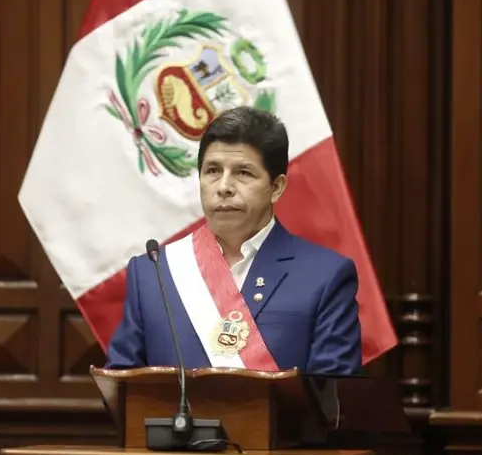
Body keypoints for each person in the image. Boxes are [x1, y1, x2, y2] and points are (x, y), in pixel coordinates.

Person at [105, 107, 363, 375]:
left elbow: (333, 394)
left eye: (243, 173)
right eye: (213, 170)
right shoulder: (154, 271)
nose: (224, 186)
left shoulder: (325, 276)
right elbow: (122, 383)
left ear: (276, 187)